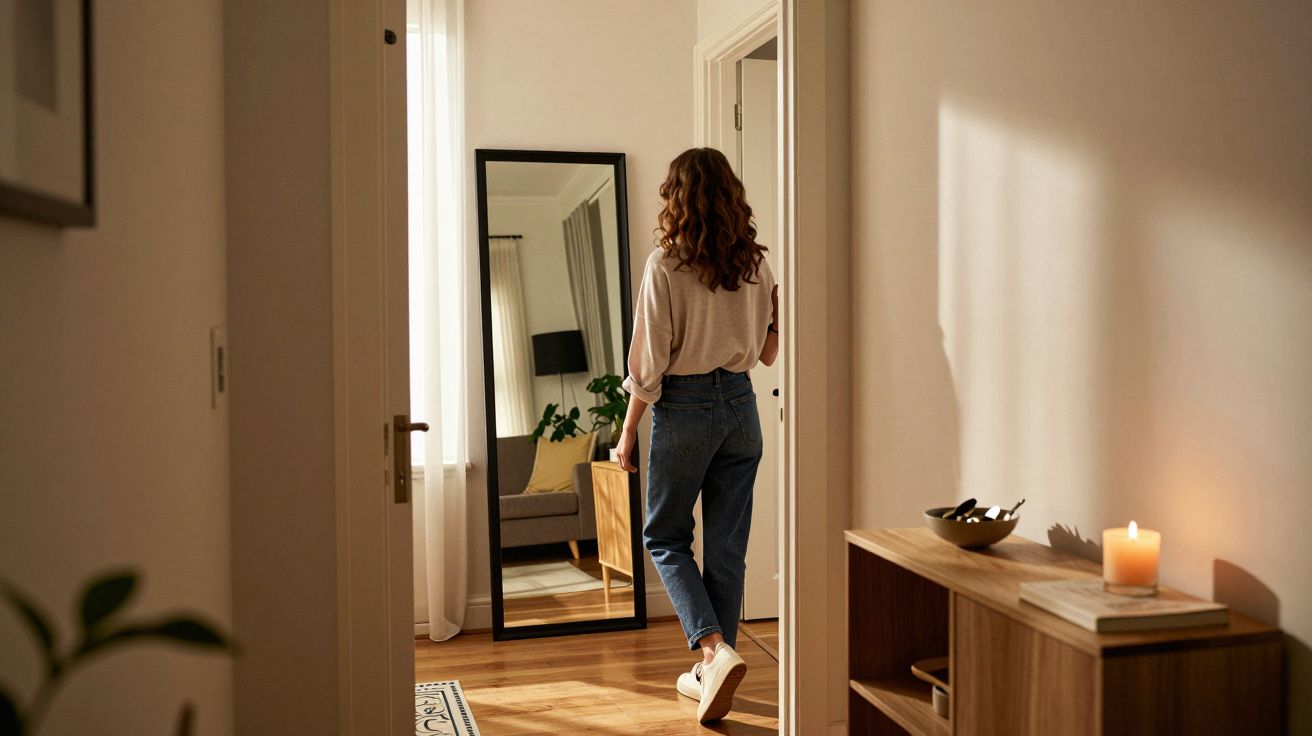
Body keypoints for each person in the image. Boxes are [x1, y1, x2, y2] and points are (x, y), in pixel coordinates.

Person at [615, 147, 779, 723]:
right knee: (727, 549)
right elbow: (767, 352)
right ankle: (713, 672)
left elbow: (649, 366)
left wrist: (627, 433)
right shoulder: (756, 265)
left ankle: (712, 650)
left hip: (685, 410)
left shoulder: (665, 265)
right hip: (741, 407)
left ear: (677, 198)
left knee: (664, 536)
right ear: (733, 196)